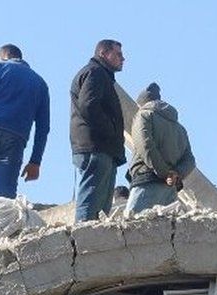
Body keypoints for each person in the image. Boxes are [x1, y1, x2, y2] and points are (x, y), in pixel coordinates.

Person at [0, 44, 50, 199]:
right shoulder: (40, 84)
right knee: (6, 197)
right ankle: (6, 223)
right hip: (15, 141)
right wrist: (35, 161)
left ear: (3, 55)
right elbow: (43, 127)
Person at [70, 39, 126, 222]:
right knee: (91, 202)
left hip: (104, 148)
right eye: (118, 54)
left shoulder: (101, 75)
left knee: (101, 209)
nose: (122, 58)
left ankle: (95, 246)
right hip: (96, 147)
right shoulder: (95, 73)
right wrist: (110, 130)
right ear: (103, 53)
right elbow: (88, 106)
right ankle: (84, 244)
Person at [125, 83, 195, 213]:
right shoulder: (179, 128)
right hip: (170, 188)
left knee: (131, 227)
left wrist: (164, 172)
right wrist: (176, 174)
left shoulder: (143, 115)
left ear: (141, 103)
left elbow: (145, 145)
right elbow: (190, 160)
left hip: (147, 181)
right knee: (163, 231)